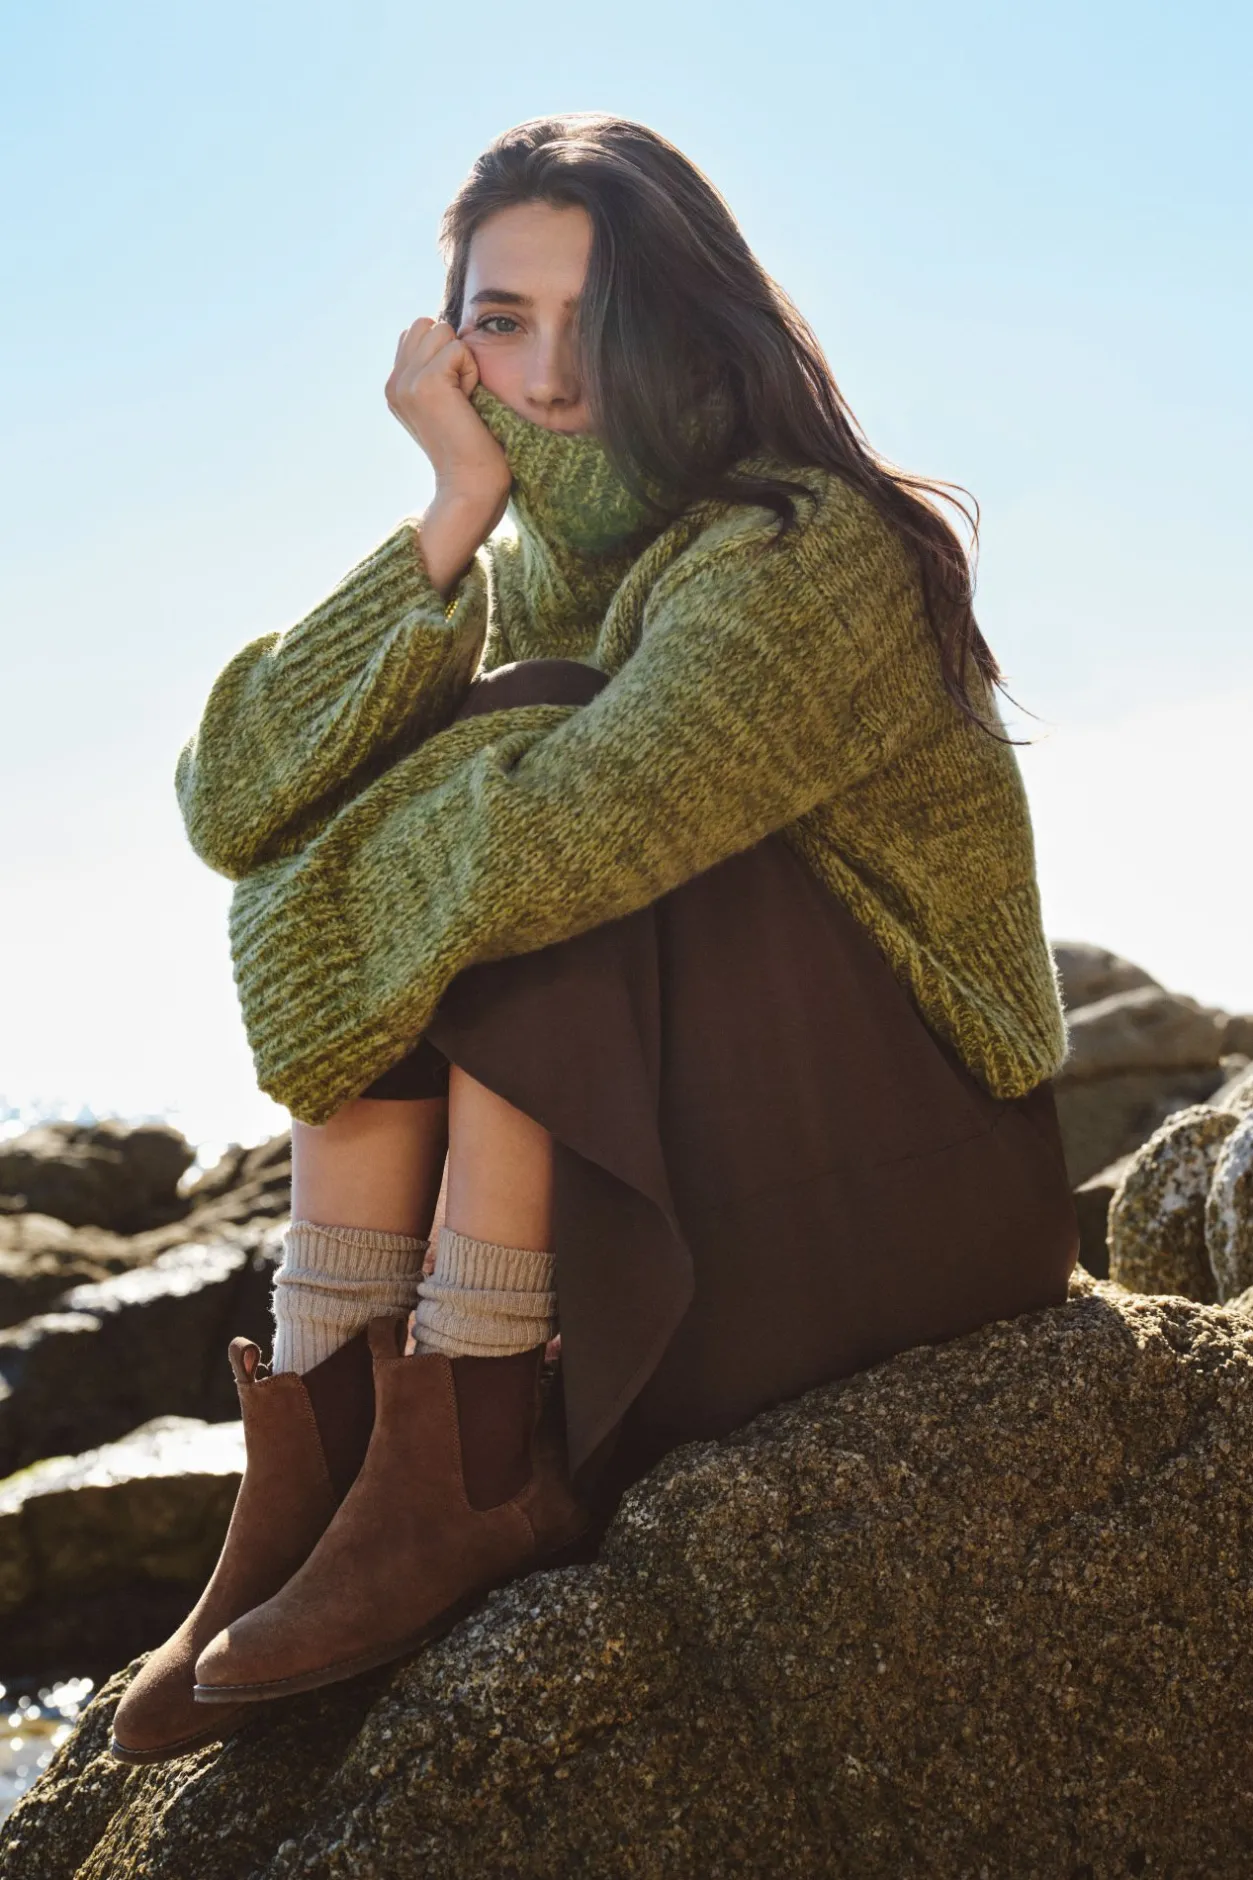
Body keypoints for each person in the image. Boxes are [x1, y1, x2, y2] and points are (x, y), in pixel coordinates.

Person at [110, 113, 1078, 1765]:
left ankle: (478, 1440)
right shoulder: (525, 568)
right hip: (715, 1169)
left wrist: (351, 858)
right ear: (448, 352)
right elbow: (236, 797)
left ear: (688, 320)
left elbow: (571, 837)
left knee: (525, 774)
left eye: (596, 315)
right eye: (503, 322)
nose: (552, 375)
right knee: (451, 763)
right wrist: (451, 508)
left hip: (917, 1187)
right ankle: (330, 1445)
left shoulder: (803, 544)